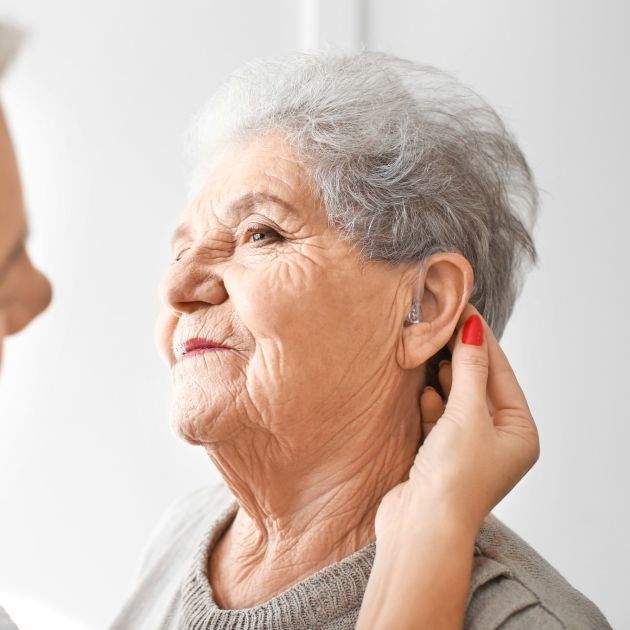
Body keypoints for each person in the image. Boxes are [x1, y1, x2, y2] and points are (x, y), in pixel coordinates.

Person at [111, 51, 611, 628]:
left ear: (424, 307)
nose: (177, 287)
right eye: (180, 250)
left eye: (261, 234)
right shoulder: (182, 533)